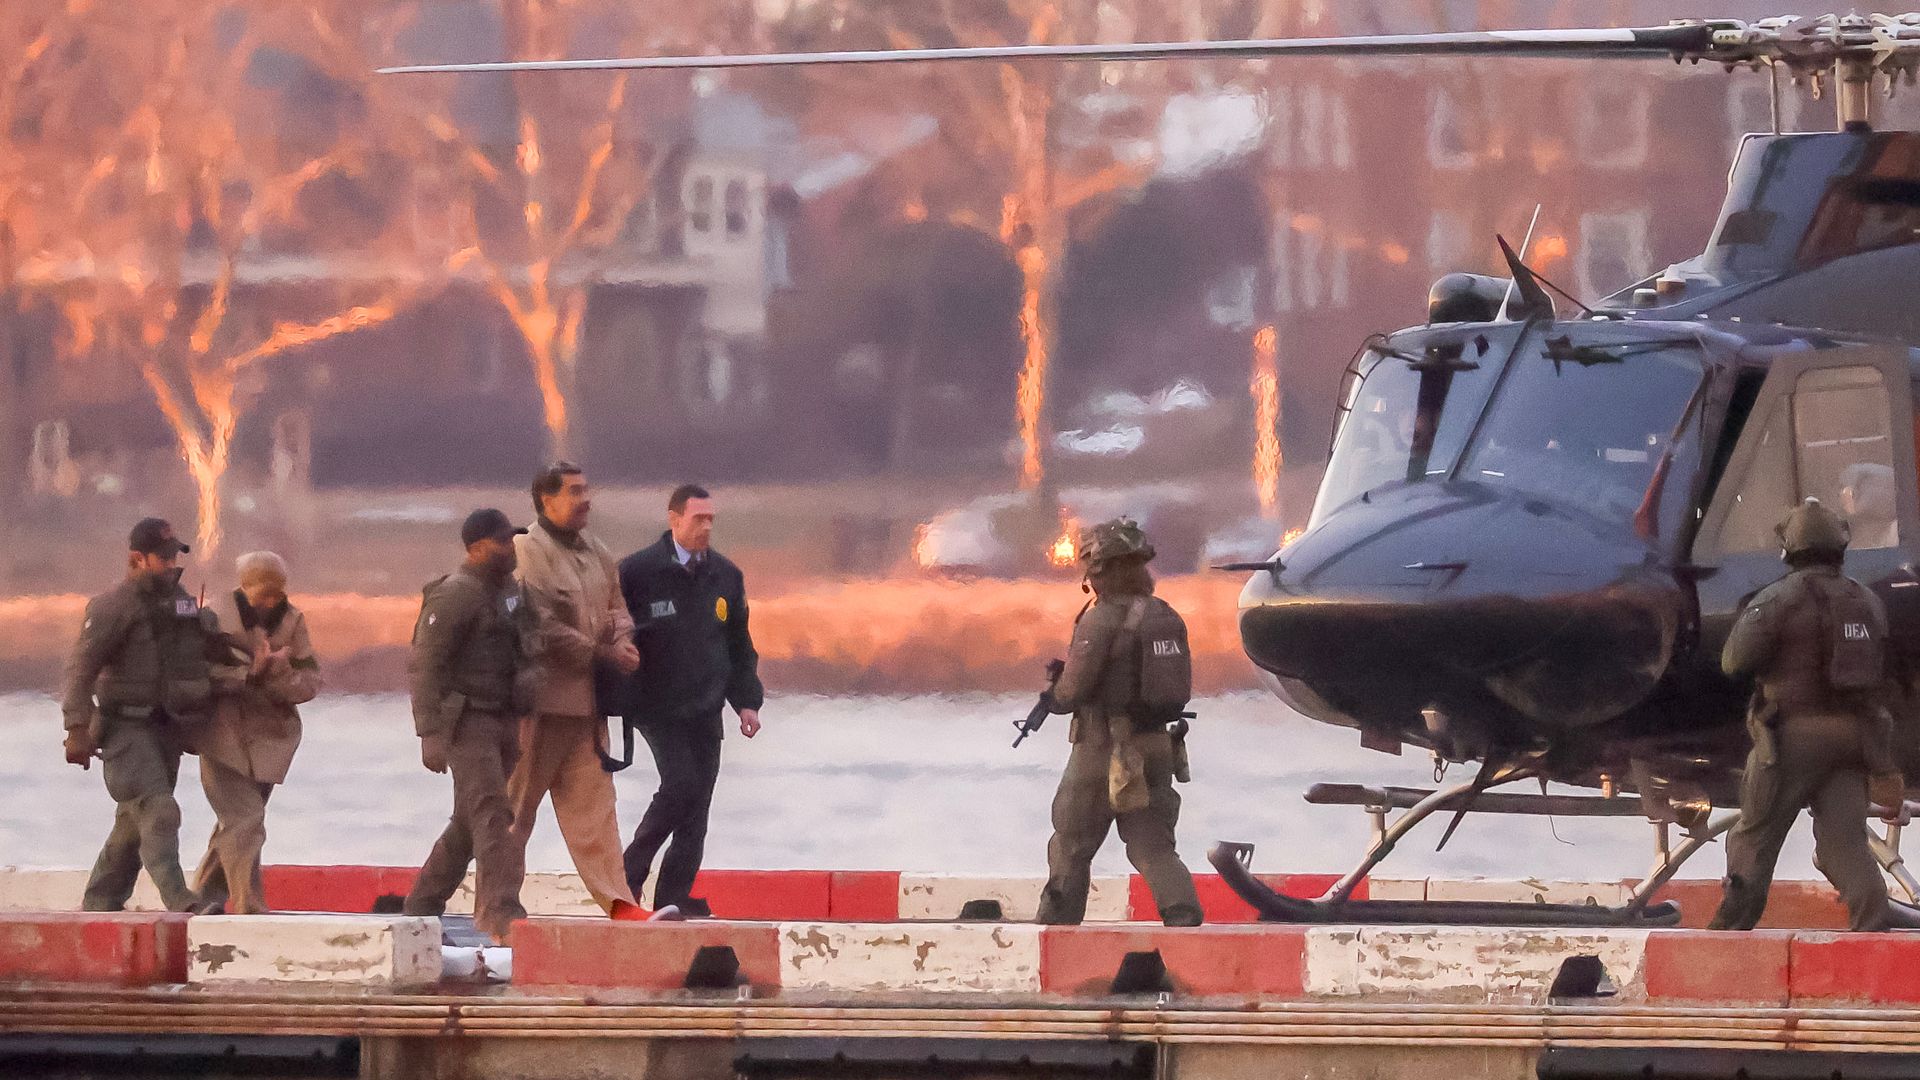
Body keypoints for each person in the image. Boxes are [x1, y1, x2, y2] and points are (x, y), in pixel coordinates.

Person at [1709, 497, 1896, 932]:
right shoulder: (1867, 601)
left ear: (1788, 548)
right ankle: (1872, 930)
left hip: (1792, 740)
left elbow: (1734, 662)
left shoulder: (1776, 600)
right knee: (1845, 846)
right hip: (1854, 740)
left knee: (1754, 837)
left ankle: (1729, 934)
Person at [1033, 518, 1203, 927]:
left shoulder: (1102, 619)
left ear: (1099, 569)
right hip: (1159, 747)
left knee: (1071, 844)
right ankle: (1183, 919)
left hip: (1104, 750)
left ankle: (1055, 931)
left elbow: (1072, 691)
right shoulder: (1165, 615)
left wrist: (1051, 698)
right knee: (1154, 847)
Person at [615, 484, 764, 916]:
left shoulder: (725, 576)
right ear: (674, 519)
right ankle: (628, 874)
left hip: (705, 706)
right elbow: (614, 632)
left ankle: (674, 896)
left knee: (698, 806)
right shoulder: (638, 572)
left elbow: (739, 644)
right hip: (656, 706)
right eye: (698, 518)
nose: (706, 527)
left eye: (711, 519)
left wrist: (747, 702)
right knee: (680, 786)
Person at [61, 518, 218, 913]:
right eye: (162, 557)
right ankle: (180, 899)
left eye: (173, 556)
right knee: (159, 809)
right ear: (137, 559)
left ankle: (101, 900)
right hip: (123, 728)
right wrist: (76, 728)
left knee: (134, 823)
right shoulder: (113, 606)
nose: (170, 563)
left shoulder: (180, 600)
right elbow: (81, 670)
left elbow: (202, 643)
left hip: (166, 729)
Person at [512, 463, 646, 918]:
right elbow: (541, 625)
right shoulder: (527, 550)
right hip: (540, 708)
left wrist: (624, 642)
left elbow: (618, 608)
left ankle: (621, 906)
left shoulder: (597, 551)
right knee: (514, 813)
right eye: (574, 492)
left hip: (587, 710)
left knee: (597, 815)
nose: (586, 498)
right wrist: (602, 653)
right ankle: (499, 910)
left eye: (587, 489)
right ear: (546, 500)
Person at [403, 510, 538, 943]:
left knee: (468, 820)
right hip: (467, 723)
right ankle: (502, 914)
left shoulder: (509, 593)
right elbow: (425, 666)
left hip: (503, 720)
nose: (510, 549)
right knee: (494, 815)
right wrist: (430, 734)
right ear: (477, 547)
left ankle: (421, 905)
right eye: (502, 542)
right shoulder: (455, 594)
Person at [193, 551, 321, 914]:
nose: (270, 602)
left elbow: (310, 680)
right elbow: (198, 675)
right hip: (222, 735)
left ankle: (202, 899)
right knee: (245, 820)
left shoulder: (293, 623)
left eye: (276, 593)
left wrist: (277, 673)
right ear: (244, 587)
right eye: (262, 593)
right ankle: (250, 907)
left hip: (270, 740)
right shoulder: (214, 619)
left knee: (236, 825)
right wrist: (247, 673)